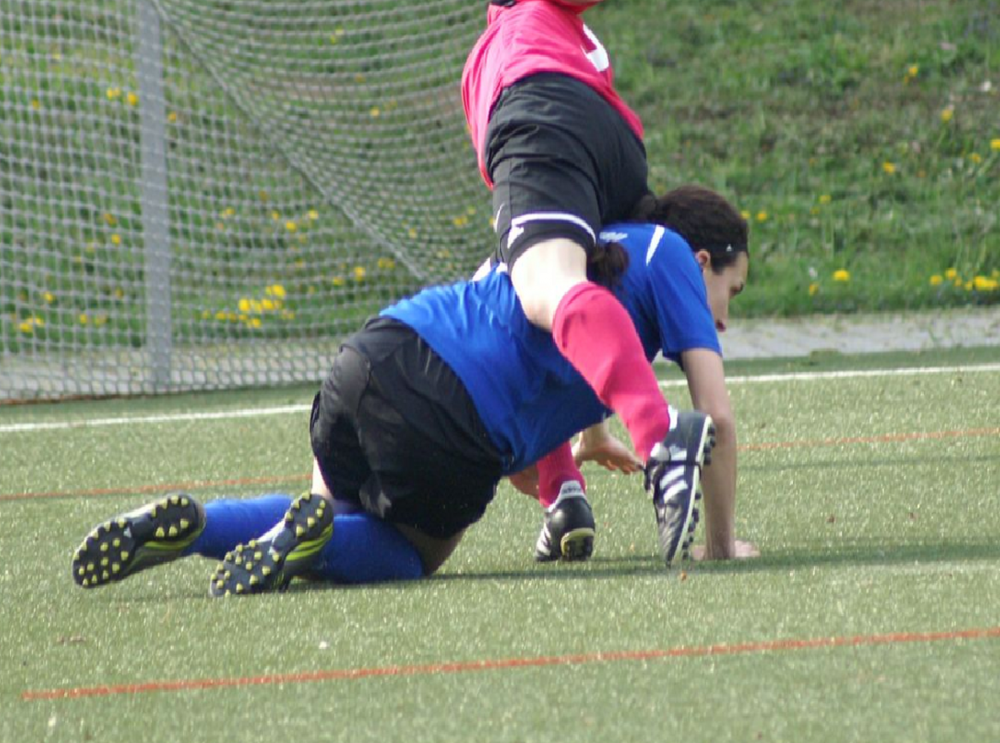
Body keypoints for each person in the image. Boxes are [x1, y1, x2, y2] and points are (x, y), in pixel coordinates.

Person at [71, 185, 756, 596]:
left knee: (327, 514)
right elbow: (715, 418)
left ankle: (202, 527)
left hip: (373, 354)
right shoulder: (670, 255)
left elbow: (539, 384)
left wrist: (571, 469)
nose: (724, 316)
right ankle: (286, 539)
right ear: (705, 260)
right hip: (448, 414)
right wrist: (719, 547)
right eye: (733, 288)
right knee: (411, 555)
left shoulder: (564, 237)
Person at [462, 0, 692, 561]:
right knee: (533, 288)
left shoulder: (514, 12)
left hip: (541, 109)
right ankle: (563, 493)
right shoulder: (566, 29)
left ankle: (661, 438)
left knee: (530, 296)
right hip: (614, 148)